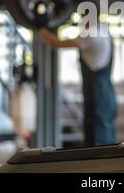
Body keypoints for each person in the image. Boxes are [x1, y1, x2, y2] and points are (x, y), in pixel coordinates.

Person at [38, 9, 117, 147]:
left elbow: (55, 43)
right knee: (106, 135)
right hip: (107, 93)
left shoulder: (90, 35)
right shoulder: (104, 30)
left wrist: (40, 27)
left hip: (97, 93)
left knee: (98, 140)